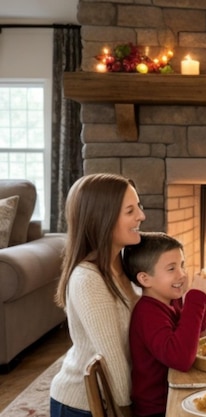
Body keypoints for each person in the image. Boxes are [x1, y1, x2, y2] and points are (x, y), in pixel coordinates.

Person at [50, 173, 146, 417]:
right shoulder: (88, 278)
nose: (141, 216)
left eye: (139, 207)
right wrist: (129, 411)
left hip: (113, 399)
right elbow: (112, 359)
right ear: (102, 218)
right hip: (85, 406)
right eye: (130, 211)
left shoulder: (122, 262)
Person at [123, 232, 206, 417]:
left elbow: (197, 331)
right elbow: (181, 359)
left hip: (176, 392)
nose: (182, 274)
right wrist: (196, 300)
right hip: (159, 409)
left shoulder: (170, 300)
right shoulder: (147, 313)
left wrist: (200, 301)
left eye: (182, 265)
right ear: (145, 279)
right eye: (171, 269)